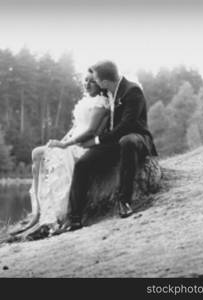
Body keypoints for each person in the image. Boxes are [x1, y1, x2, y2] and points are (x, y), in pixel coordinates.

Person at [60, 60, 158, 232]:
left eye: (95, 79)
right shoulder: (107, 91)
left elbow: (127, 125)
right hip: (114, 141)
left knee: (126, 141)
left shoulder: (132, 91)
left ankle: (124, 201)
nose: (94, 82)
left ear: (104, 81)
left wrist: (97, 141)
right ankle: (74, 218)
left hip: (137, 138)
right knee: (83, 164)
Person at [25, 70, 110, 234]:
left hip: (84, 144)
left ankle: (51, 216)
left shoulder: (101, 102)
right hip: (72, 142)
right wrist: (61, 142)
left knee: (39, 154)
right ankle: (38, 212)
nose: (87, 84)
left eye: (92, 81)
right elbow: (75, 128)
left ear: (100, 83)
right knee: (38, 154)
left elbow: (91, 131)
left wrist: (65, 145)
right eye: (85, 81)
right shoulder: (86, 101)